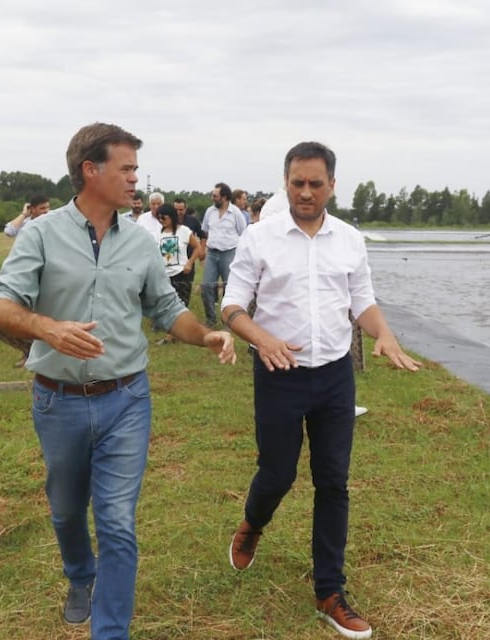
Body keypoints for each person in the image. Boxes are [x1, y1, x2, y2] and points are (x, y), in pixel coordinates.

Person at [0, 122, 236, 640]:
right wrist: (46, 328)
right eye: (126, 168)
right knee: (67, 511)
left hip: (127, 399)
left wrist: (203, 335)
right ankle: (81, 575)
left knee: (117, 520)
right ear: (89, 170)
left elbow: (166, 309)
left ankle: (110, 630)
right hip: (59, 403)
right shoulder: (41, 233)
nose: (135, 180)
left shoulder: (141, 243)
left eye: (136, 170)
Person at [220, 141, 421, 640]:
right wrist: (261, 337)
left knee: (333, 481)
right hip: (278, 374)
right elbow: (232, 306)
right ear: (285, 183)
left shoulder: (349, 239)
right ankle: (252, 523)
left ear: (332, 184)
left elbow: (363, 301)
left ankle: (330, 591)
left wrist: (385, 334)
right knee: (278, 473)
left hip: (334, 375)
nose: (305, 192)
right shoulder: (260, 237)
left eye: (315, 183)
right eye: (297, 183)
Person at [200, 182, 247, 326]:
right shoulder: (209, 212)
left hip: (229, 253)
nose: (212, 198)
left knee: (230, 288)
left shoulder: (236, 213)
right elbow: (205, 231)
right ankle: (211, 319)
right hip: (212, 253)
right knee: (206, 285)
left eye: (215, 196)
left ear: (224, 197)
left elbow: (243, 232)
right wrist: (203, 250)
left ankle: (228, 320)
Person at [156, 203, 201, 344]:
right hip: (165, 275)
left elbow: (198, 247)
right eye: (159, 217)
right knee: (167, 305)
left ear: (172, 217)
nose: (161, 220)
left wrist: (189, 263)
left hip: (181, 273)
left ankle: (174, 335)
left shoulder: (184, 231)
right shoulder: (159, 234)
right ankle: (175, 334)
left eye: (164, 217)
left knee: (181, 305)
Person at [172, 198, 205, 306]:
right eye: (176, 209)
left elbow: (203, 235)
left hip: (188, 260)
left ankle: (184, 311)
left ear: (185, 209)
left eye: (181, 209)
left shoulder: (192, 221)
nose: (178, 212)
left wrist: (202, 251)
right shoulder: (168, 221)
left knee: (185, 289)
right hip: (172, 261)